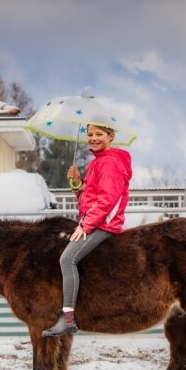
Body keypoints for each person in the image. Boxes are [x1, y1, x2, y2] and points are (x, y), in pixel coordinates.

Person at [43, 123, 132, 337]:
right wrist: (77, 183)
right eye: (89, 134)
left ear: (111, 136)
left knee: (67, 259)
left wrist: (86, 225)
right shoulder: (97, 162)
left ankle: (68, 319)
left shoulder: (109, 162)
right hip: (95, 221)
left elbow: (108, 200)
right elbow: (89, 198)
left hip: (104, 224)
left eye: (99, 134)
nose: (93, 138)